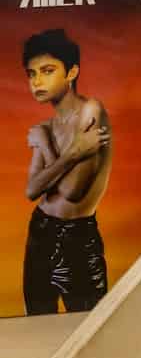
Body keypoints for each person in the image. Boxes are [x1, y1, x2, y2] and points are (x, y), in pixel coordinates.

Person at [22, 30, 111, 314]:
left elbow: (73, 192)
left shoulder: (91, 110)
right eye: (32, 73)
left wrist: (51, 151)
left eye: (47, 71)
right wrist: (69, 151)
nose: (37, 81)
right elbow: (32, 190)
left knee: (86, 329)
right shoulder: (46, 128)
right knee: (36, 328)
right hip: (40, 233)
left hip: (78, 242)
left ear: (72, 71)